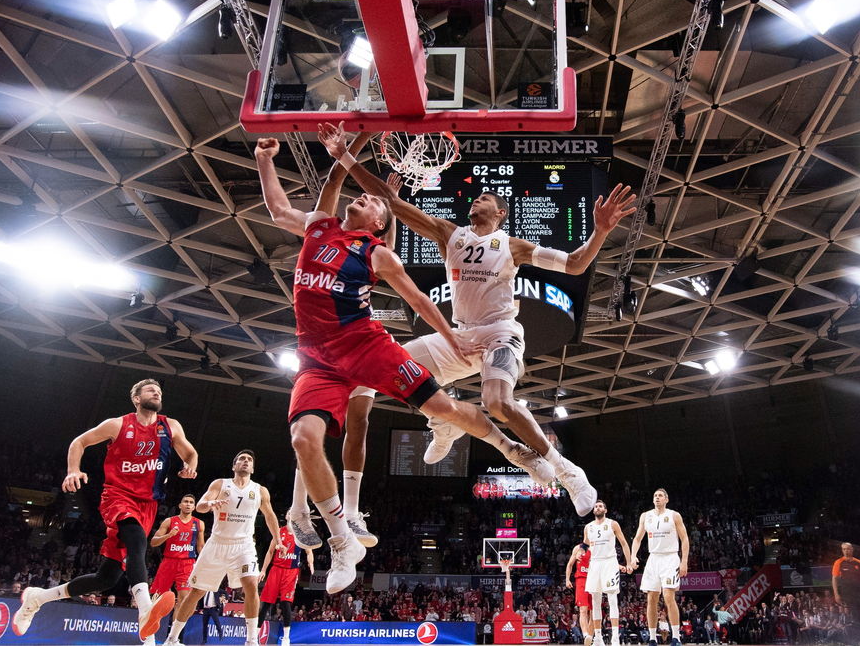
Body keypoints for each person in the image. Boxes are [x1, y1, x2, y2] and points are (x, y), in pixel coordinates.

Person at [254, 135, 539, 593]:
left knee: (437, 410)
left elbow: (420, 300)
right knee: (303, 438)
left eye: (371, 202)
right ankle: (340, 538)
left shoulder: (377, 252)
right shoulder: (319, 226)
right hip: (317, 359)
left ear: (378, 224)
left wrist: (451, 335)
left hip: (366, 346)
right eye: (363, 197)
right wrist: (266, 158)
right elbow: (285, 203)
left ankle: (508, 448)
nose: (362, 198)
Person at [319, 121, 636, 517]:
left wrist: (600, 231)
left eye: (484, 197)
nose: (475, 199)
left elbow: (574, 264)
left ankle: (566, 471)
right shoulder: (449, 234)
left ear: (500, 213)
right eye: (475, 196)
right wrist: (346, 157)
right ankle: (445, 424)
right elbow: (389, 201)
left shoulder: (512, 246)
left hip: (501, 334)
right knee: (391, 365)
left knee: (496, 402)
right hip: (461, 336)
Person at [12, 378, 199, 644]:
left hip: (148, 504)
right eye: (150, 390)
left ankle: (38, 598)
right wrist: (73, 470)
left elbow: (191, 454)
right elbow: (79, 442)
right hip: (118, 496)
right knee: (137, 540)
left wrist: (190, 466)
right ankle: (145, 611)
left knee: (106, 577)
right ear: (136, 398)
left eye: (159, 391)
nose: (157, 392)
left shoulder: (170, 426)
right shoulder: (118, 424)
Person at [163, 450, 281, 646]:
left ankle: (251, 640)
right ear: (234, 466)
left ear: (253, 468)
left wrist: (278, 540)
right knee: (196, 592)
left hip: (244, 545)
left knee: (251, 585)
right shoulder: (220, 484)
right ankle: (172, 639)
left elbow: (270, 516)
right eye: (241, 459)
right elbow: (200, 506)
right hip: (217, 544)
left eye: (249, 460)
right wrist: (211, 503)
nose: (245, 461)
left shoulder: (260, 490)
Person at [632, 489, 690, 646]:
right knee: (651, 598)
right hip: (653, 558)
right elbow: (637, 538)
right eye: (655, 496)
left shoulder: (674, 515)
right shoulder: (646, 516)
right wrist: (633, 556)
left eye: (660, 496)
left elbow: (684, 538)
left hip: (670, 557)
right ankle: (652, 638)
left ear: (666, 499)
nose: (657, 498)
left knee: (668, 596)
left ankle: (676, 637)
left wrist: (684, 561)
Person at [583, 500, 635, 646]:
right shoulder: (588, 527)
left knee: (612, 599)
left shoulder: (613, 524)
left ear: (605, 510)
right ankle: (598, 637)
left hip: (609, 562)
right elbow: (585, 544)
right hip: (594, 563)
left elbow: (624, 543)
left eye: (600, 506)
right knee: (595, 601)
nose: (597, 508)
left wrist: (628, 562)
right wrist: (581, 551)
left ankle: (615, 638)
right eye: (596, 506)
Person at [259, 517, 315, 646]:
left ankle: (286, 638)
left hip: (291, 571)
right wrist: (263, 570)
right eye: (290, 513)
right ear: (287, 516)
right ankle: (254, 636)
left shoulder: (301, 534)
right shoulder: (279, 531)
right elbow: (270, 551)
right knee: (266, 603)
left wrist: (311, 563)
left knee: (286, 603)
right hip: (276, 569)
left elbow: (309, 551)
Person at [150, 494, 205, 599]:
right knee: (157, 596)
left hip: (187, 563)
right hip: (169, 561)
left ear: (194, 507)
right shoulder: (169, 521)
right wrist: (168, 535)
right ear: (180, 505)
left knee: (184, 597)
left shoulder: (199, 523)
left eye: (191, 503)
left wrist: (205, 564)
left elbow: (201, 547)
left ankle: (177, 611)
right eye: (186, 501)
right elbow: (153, 542)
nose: (188, 504)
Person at [832, 542, 860, 620]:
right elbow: (834, 579)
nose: (846, 551)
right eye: (844, 549)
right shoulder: (838, 562)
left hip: (859, 593)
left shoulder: (859, 562)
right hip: (847, 593)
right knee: (853, 616)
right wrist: (836, 594)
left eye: (848, 549)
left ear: (852, 549)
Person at [566, 541, 595, 644]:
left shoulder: (597, 547)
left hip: (594, 580)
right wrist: (567, 579)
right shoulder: (577, 548)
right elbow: (570, 565)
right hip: (581, 579)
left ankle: (591, 637)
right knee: (583, 609)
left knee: (594, 612)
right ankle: (585, 634)